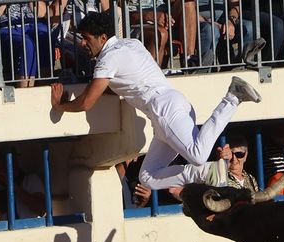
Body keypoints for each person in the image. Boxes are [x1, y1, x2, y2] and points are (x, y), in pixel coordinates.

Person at [50, 11, 263, 190]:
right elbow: (125, 82)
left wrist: (61, 105)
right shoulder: (131, 44)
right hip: (168, 109)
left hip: (164, 111)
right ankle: (199, 174)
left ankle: (232, 98)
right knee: (148, 177)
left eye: (87, 38)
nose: (83, 44)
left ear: (103, 38)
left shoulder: (107, 60)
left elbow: (87, 101)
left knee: (198, 156)